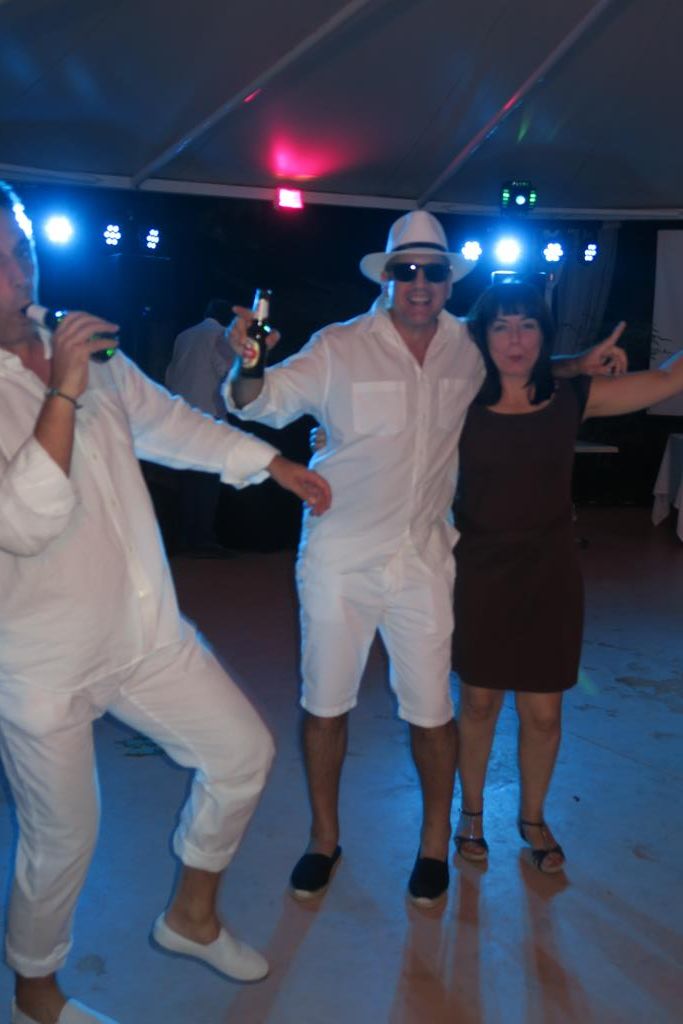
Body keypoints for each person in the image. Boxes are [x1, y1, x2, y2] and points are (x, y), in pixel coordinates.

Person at [223, 210, 626, 907]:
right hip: (341, 556)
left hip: (425, 557)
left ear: (448, 282)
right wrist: (249, 362)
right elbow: (257, 403)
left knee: (433, 711)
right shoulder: (338, 346)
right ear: (385, 278)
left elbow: (518, 364)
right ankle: (324, 840)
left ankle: (436, 843)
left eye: (433, 271)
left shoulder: (466, 346)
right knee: (326, 706)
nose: (419, 283)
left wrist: (577, 363)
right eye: (406, 270)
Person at [0, 181, 331, 1024]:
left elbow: (165, 421)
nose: (18, 275)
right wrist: (62, 389)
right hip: (39, 663)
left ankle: (191, 917)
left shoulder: (82, 345)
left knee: (242, 755)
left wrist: (267, 463)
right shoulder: (68, 364)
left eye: (22, 250)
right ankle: (37, 992)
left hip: (142, 628)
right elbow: (25, 521)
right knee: (63, 837)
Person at [451, 279, 683, 873]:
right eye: (501, 326)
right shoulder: (455, 400)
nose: (515, 339)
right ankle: (471, 813)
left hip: (549, 576)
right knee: (478, 704)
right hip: (478, 572)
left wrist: (575, 368)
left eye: (528, 325)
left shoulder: (571, 397)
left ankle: (532, 817)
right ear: (481, 336)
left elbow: (667, 380)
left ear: (544, 334)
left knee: (545, 712)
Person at [165, 299, 236, 555]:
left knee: (188, 479)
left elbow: (170, 375)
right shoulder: (221, 335)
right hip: (209, 415)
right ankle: (203, 538)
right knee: (208, 479)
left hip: (183, 415)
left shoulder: (183, 336)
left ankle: (185, 537)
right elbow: (225, 371)